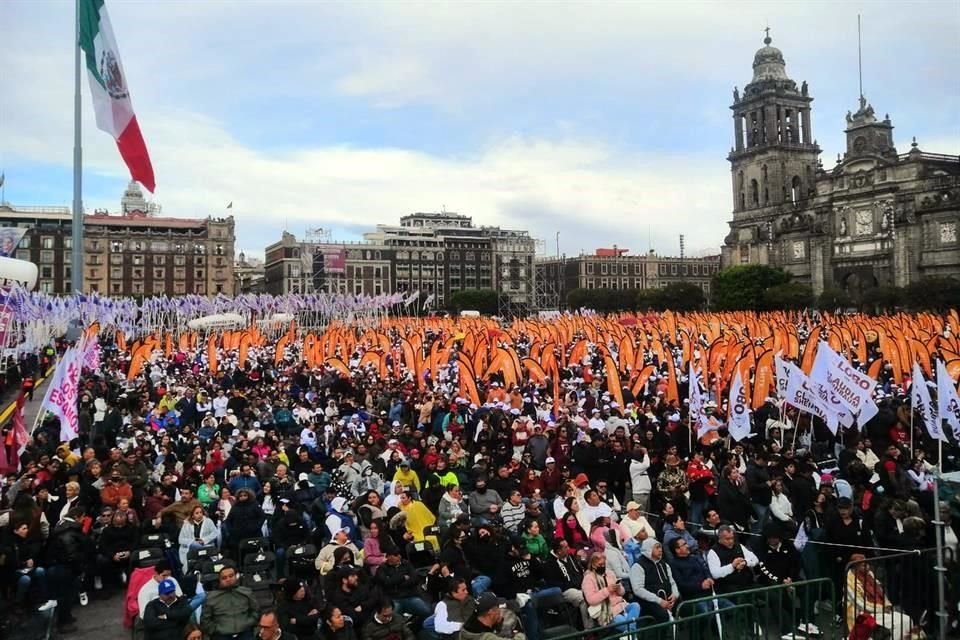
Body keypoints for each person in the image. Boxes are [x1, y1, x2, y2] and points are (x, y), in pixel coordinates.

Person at [581, 551, 641, 631]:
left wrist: (619, 588)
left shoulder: (610, 573)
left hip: (621, 605)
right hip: (606, 610)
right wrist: (607, 590)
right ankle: (632, 633)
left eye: (604, 564)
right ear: (593, 565)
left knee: (635, 605)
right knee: (625, 622)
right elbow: (591, 600)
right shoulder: (588, 578)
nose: (602, 566)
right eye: (600, 565)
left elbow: (622, 593)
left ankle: (629, 633)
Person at [200, 564, 260, 640]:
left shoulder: (247, 592)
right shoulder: (211, 597)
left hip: (245, 633)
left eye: (231, 576)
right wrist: (216, 630)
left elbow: (256, 611)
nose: (228, 579)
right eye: (224, 578)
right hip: (221, 635)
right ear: (220, 581)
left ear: (236, 576)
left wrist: (249, 623)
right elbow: (205, 620)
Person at [628, 539, 679, 623]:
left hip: (667, 599)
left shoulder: (664, 564)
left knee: (684, 605)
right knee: (662, 615)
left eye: (661, 547)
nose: (660, 550)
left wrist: (674, 595)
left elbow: (672, 582)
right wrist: (659, 601)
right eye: (657, 547)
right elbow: (638, 589)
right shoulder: (638, 566)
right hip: (649, 602)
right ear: (649, 549)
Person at [375, 546, 432, 619]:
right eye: (396, 555)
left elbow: (415, 579)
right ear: (388, 557)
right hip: (394, 599)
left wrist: (396, 583)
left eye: (399, 554)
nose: (399, 557)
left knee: (428, 611)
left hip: (410, 596)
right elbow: (385, 583)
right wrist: (402, 578)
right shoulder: (382, 568)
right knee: (390, 618)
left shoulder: (406, 564)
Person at [706, 525, 758, 594]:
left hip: (748, 583)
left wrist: (745, 562)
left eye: (732, 538)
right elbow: (715, 574)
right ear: (720, 538)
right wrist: (732, 566)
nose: (731, 541)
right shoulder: (713, 552)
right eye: (727, 539)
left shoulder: (739, 546)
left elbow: (755, 559)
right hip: (729, 587)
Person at [460, 592, 526, 640]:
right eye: (498, 607)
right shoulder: (486, 637)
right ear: (490, 611)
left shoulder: (466, 628)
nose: (500, 610)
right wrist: (519, 634)